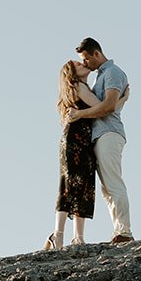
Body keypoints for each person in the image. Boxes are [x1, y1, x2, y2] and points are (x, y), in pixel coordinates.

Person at [68, 37, 132, 243]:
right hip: (100, 135)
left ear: (96, 53)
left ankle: (125, 232)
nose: (85, 63)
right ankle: (119, 231)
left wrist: (79, 115)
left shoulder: (112, 73)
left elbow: (108, 107)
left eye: (86, 59)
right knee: (107, 188)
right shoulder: (100, 77)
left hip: (109, 134)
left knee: (113, 183)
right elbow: (109, 106)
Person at [46, 60, 97, 249]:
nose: (83, 63)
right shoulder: (79, 86)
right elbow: (102, 107)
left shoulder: (77, 88)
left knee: (75, 184)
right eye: (78, 64)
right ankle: (67, 235)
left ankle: (66, 235)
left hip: (78, 140)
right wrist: (122, 99)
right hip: (76, 140)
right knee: (76, 184)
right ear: (72, 72)